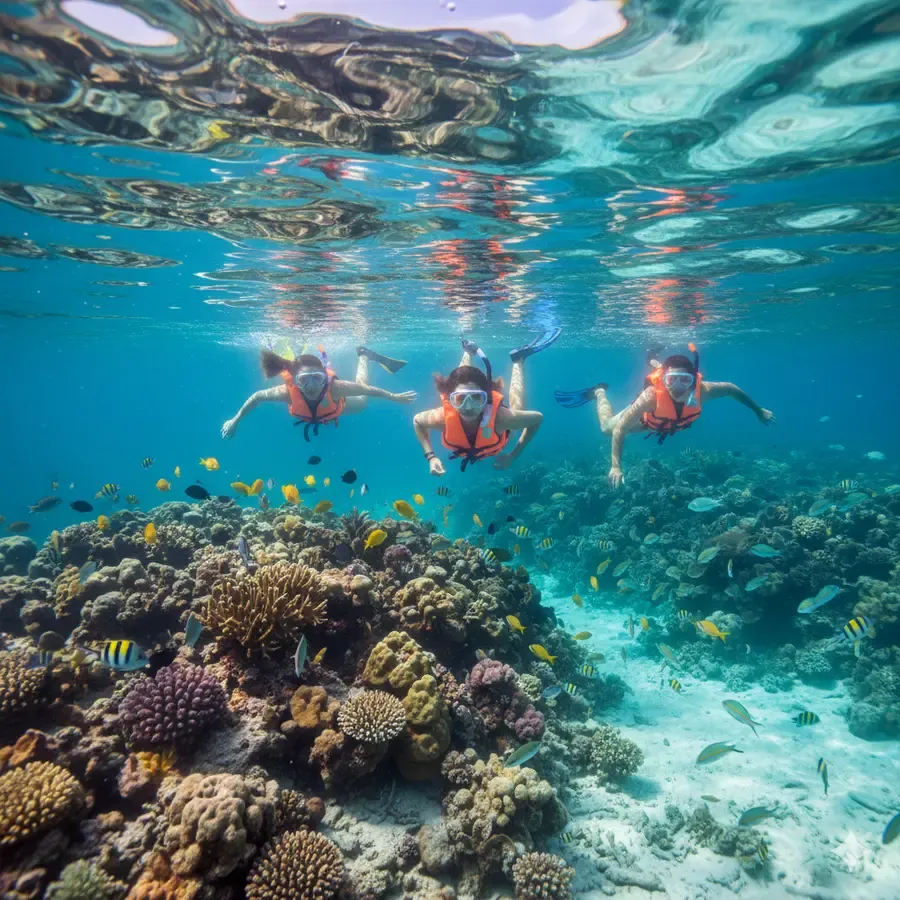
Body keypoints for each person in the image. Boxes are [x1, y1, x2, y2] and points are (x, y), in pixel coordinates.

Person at [554, 344, 775, 488]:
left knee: (669, 369)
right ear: (664, 382)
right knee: (606, 429)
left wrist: (759, 410)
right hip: (646, 422)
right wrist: (616, 466)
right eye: (670, 381)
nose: (677, 388)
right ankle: (599, 391)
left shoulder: (704, 390)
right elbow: (621, 428)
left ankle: (654, 360)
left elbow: (731, 388)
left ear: (694, 381)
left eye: (685, 381)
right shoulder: (651, 396)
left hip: (667, 421)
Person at [413, 330, 561, 475]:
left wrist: (514, 455)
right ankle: (468, 352)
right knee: (460, 381)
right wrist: (430, 457)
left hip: (498, 424)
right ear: (451, 400)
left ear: (487, 397)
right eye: (460, 399)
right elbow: (417, 421)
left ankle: (518, 360)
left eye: (477, 398)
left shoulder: (502, 419)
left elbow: (537, 418)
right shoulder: (442, 418)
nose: (468, 406)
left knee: (516, 408)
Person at [222, 346, 416, 441]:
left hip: (339, 407)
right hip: (322, 414)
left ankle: (364, 355)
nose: (311, 386)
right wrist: (235, 420)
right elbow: (257, 397)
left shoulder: (335, 388)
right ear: (296, 381)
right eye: (303, 380)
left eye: (316, 378)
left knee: (363, 400)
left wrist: (394, 397)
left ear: (324, 377)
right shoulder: (288, 393)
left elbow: (367, 390)